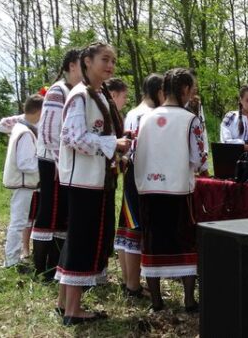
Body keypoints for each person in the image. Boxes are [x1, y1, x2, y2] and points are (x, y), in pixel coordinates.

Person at [56, 42, 130, 325]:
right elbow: (72, 137)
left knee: (79, 239)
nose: (110, 66)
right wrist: (113, 143)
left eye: (113, 61)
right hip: (83, 180)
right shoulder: (81, 96)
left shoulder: (97, 94)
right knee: (82, 241)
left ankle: (65, 303)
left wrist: (117, 146)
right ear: (87, 61)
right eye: (104, 59)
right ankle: (73, 310)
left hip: (95, 179)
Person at [133, 68, 208, 312]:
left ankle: (156, 300)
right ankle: (189, 300)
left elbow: (135, 151)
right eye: (192, 89)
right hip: (178, 189)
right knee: (184, 241)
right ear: (185, 89)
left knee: (152, 241)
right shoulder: (190, 120)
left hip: (148, 188)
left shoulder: (145, 118)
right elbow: (199, 157)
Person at [32, 49, 83, 281]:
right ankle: (41, 269)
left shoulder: (75, 91)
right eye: (83, 65)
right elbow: (49, 132)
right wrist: (62, 163)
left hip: (65, 164)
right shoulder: (57, 90)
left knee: (62, 215)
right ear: (72, 66)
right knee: (48, 214)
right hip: (52, 161)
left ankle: (54, 266)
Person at [114, 73, 164, 298]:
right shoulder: (152, 115)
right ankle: (133, 285)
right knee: (136, 228)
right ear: (159, 92)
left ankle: (129, 281)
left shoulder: (132, 112)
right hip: (145, 174)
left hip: (130, 171)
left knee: (127, 226)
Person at [2, 94, 43, 268]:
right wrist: (44, 164)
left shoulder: (19, 128)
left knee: (19, 221)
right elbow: (25, 163)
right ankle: (11, 260)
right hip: (23, 182)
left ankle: (13, 258)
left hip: (22, 182)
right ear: (39, 111)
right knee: (18, 222)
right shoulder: (25, 133)